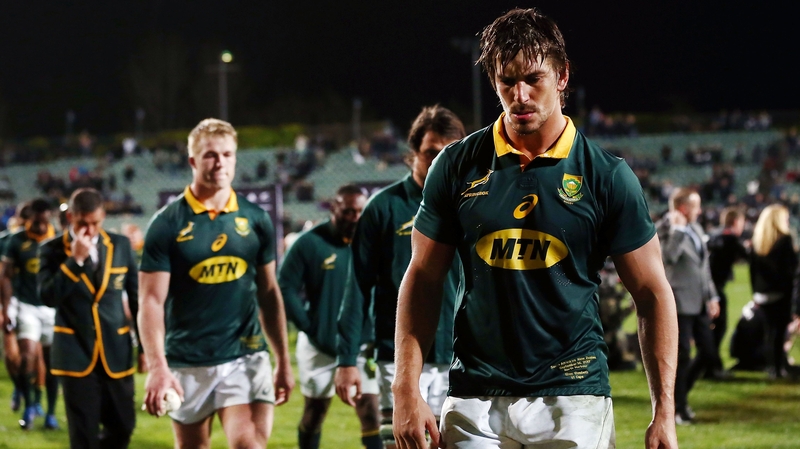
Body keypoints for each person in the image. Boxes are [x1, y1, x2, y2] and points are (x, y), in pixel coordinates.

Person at [392, 9, 679, 449]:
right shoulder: (455, 165)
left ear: (562, 76)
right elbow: (423, 279)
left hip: (574, 395)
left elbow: (652, 293)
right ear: (494, 83)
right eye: (507, 82)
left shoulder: (606, 176)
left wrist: (664, 412)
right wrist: (405, 390)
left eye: (533, 78)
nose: (520, 95)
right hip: (476, 396)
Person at [138, 118, 294, 448]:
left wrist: (282, 359)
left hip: (244, 354)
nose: (220, 162)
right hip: (187, 359)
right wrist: (157, 367)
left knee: (248, 444)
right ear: (193, 161)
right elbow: (150, 301)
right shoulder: (166, 224)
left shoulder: (256, 218)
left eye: (227, 154)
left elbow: (268, 291)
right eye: (210, 155)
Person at [335, 105, 466, 449]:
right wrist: (347, 360)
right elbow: (358, 289)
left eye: (449, 152)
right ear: (413, 155)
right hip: (402, 361)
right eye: (431, 153)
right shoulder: (383, 208)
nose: (440, 161)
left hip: (464, 356)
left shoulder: (473, 205)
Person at [279, 184, 381, 449]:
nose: (355, 217)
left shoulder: (374, 242)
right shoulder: (309, 242)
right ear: (334, 208)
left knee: (371, 411)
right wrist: (308, 326)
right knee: (315, 412)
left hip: (362, 345)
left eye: (360, 211)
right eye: (348, 211)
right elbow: (285, 286)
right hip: (319, 346)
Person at [37, 188, 141, 448]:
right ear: (71, 217)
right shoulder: (50, 250)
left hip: (116, 352)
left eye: (95, 222)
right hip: (75, 354)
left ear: (103, 216)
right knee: (83, 436)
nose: (90, 229)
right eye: (83, 223)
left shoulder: (121, 245)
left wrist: (145, 348)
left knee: (123, 427)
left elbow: (137, 298)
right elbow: (47, 297)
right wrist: (76, 260)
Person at [659, 188, 720, 425]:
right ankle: (677, 408)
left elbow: (704, 267)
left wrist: (712, 296)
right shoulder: (665, 228)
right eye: (696, 206)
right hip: (678, 302)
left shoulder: (696, 227)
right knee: (683, 356)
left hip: (700, 303)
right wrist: (677, 231)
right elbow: (667, 259)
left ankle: (678, 398)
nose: (700, 211)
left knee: (709, 354)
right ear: (683, 207)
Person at [2, 198, 58, 430]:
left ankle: (51, 413)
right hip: (25, 305)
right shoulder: (15, 240)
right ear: (29, 219)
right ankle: (29, 404)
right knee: (26, 357)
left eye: (44, 221)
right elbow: (5, 275)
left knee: (52, 362)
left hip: (51, 308)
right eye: (36, 221)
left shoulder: (57, 239)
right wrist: (6, 308)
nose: (40, 226)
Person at [749, 204, 798, 379]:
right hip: (780, 294)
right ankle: (779, 368)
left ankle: (771, 367)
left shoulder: (758, 240)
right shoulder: (785, 239)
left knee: (769, 332)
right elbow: (791, 271)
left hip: (762, 295)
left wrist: (755, 293)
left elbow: (752, 270)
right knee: (779, 333)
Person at [706, 207, 748, 378]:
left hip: (707, 286)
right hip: (715, 289)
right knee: (719, 328)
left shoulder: (713, 233)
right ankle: (712, 367)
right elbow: (747, 256)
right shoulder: (731, 238)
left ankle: (712, 365)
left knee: (711, 328)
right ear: (736, 222)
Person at [0, 202, 33, 414]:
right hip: (9, 300)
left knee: (32, 353)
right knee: (11, 349)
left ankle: (33, 397)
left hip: (32, 301)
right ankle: (19, 388)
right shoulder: (5, 241)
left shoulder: (43, 240)